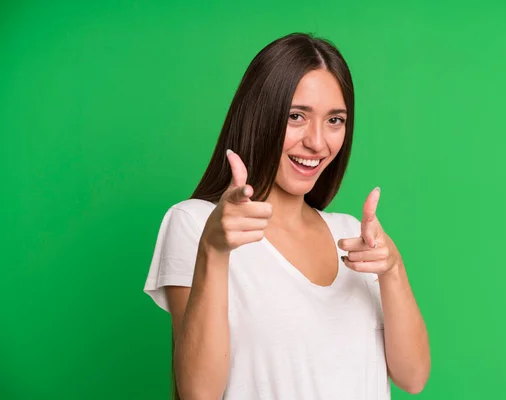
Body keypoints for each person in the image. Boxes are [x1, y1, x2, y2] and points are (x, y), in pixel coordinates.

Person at [143, 32, 430, 400]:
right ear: (259, 115)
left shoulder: (351, 236)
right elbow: (199, 393)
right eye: (296, 116)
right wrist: (213, 252)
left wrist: (393, 270)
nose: (317, 141)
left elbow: (413, 377)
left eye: (335, 120)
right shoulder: (196, 224)